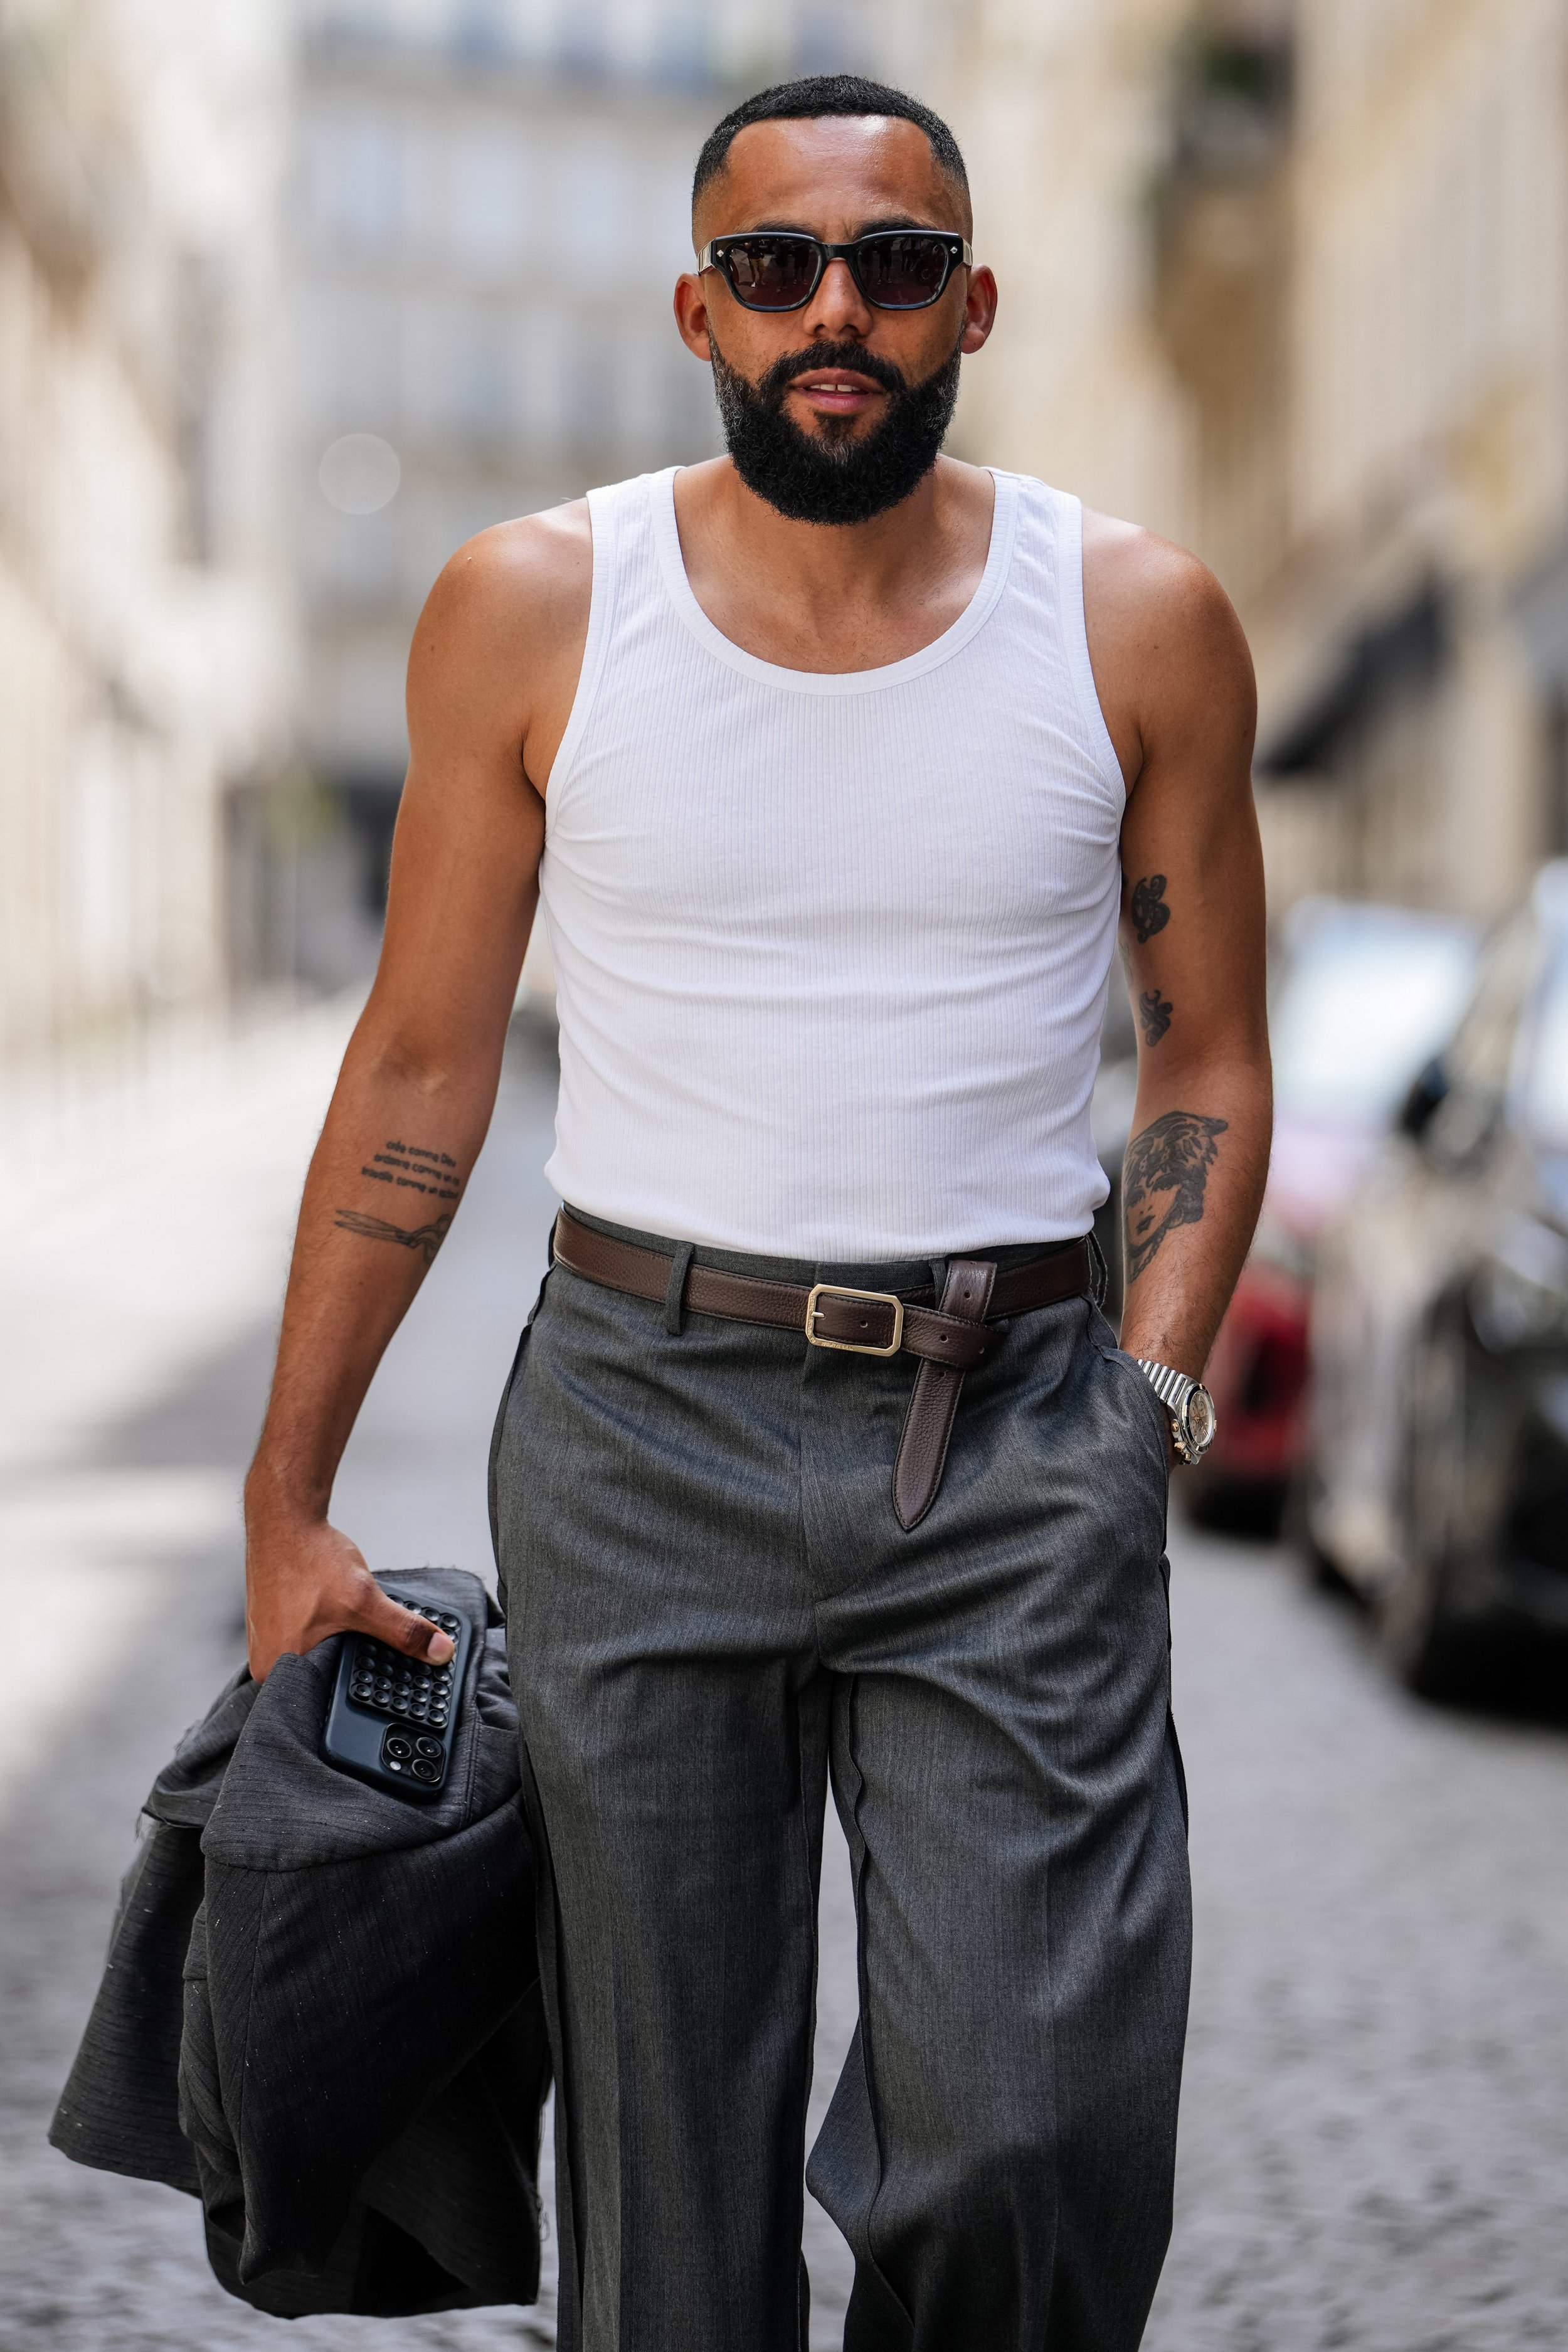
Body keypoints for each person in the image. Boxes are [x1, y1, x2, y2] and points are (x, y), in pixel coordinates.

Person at [243, 72, 1270, 2352]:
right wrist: (287, 1493)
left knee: (1030, 2130)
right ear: (696, 306)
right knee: (667, 2194)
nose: (834, 312)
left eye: (891, 268)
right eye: (776, 265)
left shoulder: (1134, 618)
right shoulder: (532, 606)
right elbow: (417, 1063)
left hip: (1013, 1429)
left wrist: (1147, 1403)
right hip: (639, 1427)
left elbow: (1202, 1049)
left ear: (968, 306)